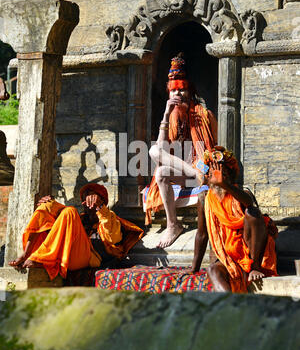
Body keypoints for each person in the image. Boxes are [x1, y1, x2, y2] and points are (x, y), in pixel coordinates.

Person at [146, 53, 218, 248]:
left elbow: (215, 148)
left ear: (190, 92)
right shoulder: (170, 118)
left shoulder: (205, 115)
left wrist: (203, 168)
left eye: (182, 90)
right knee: (158, 165)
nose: (178, 95)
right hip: (187, 173)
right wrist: (165, 114)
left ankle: (198, 174)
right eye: (174, 91)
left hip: (205, 168)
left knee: (156, 157)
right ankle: (173, 225)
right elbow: (160, 151)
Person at [9, 183, 144, 280]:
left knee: (69, 211)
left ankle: (40, 258)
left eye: (91, 199)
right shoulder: (79, 219)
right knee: (48, 205)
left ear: (102, 201)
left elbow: (112, 237)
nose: (86, 203)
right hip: (68, 253)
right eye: (84, 199)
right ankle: (27, 254)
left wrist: (100, 208)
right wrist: (50, 205)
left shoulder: (110, 218)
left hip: (89, 260)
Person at [191, 146, 278, 293]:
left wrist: (225, 185)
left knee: (253, 212)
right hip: (226, 257)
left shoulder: (241, 193)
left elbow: (249, 203)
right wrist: (194, 269)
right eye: (213, 173)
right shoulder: (204, 199)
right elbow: (202, 234)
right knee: (213, 270)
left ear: (230, 177)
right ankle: (230, 305)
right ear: (207, 176)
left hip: (250, 253)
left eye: (223, 174)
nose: (217, 178)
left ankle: (255, 267)